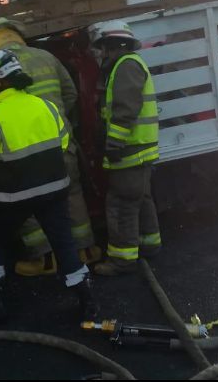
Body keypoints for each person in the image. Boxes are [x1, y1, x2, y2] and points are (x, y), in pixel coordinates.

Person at [0, 48, 98, 322]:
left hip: (10, 199)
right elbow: (62, 141)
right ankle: (87, 301)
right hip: (53, 190)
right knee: (64, 243)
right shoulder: (46, 106)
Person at [0, 17, 101, 277]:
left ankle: (45, 259)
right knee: (72, 193)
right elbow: (71, 93)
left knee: (28, 202)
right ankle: (86, 250)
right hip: (61, 142)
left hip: (21, 152)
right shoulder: (46, 57)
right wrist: (56, 120)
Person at [87, 20, 162, 276]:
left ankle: (122, 260)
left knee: (121, 204)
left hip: (129, 151)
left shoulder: (125, 66)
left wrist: (113, 144)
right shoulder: (129, 64)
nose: (100, 54)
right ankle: (150, 245)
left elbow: (124, 111)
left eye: (102, 48)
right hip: (138, 150)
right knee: (141, 198)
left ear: (114, 45)